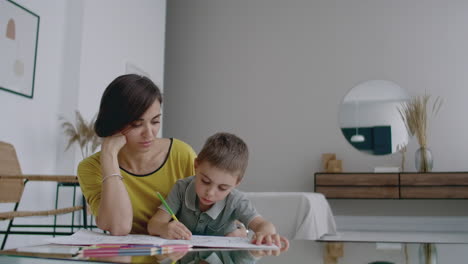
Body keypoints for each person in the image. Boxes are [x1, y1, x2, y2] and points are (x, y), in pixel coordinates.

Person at [77, 74, 196, 236]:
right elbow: (118, 227)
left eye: (155, 122)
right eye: (136, 125)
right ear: (114, 123)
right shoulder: (91, 168)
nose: (149, 134)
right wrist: (109, 155)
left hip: (175, 257)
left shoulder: (182, 155)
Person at [148, 132, 289, 249]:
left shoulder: (236, 199)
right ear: (196, 165)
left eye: (222, 188)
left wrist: (266, 233)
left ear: (237, 182)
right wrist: (164, 228)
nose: (210, 192)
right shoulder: (181, 188)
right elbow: (154, 224)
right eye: (205, 181)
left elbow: (261, 224)